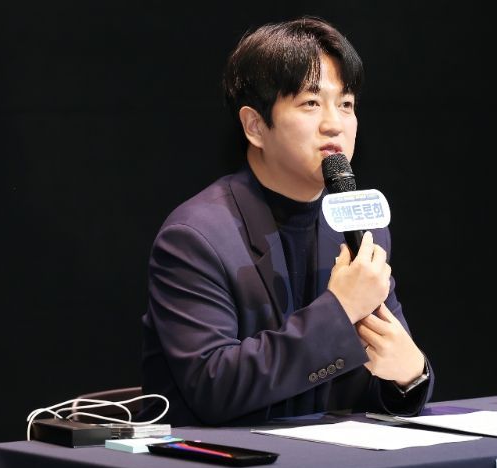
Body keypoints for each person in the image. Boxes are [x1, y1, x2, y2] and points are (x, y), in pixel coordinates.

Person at [140, 16, 433, 426]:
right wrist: (340, 310)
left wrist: (409, 377)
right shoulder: (195, 237)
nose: (334, 123)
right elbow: (213, 388)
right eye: (311, 103)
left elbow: (379, 375)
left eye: (346, 104)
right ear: (255, 126)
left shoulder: (357, 226)